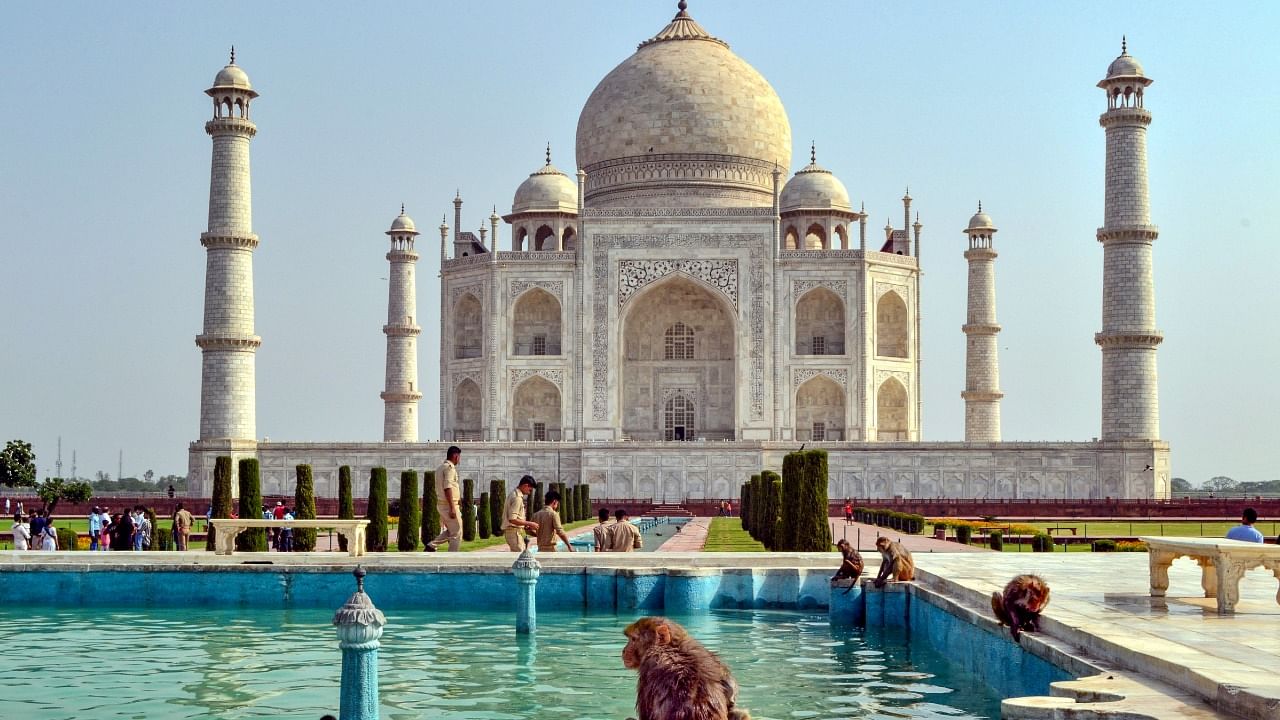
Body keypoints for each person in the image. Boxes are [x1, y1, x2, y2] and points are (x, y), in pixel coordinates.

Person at [426, 446, 464, 552]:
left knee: (454, 530)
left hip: (443, 504)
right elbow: (447, 487)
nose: (459, 460)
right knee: (457, 533)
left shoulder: (440, 468)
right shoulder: (449, 468)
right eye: (459, 457)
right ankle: (452, 558)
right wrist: (452, 507)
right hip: (448, 505)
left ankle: (431, 546)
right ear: (455, 456)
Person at [500, 476, 541, 551]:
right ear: (525, 485)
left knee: (520, 557)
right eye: (530, 489)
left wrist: (525, 524)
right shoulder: (517, 498)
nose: (530, 492)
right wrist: (530, 523)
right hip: (514, 532)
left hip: (513, 531)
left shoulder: (514, 494)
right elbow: (512, 519)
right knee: (521, 558)